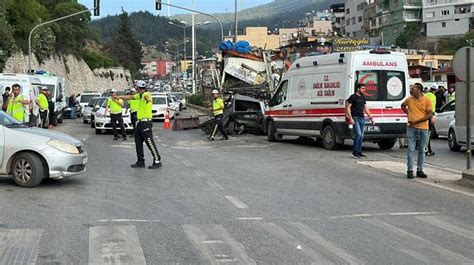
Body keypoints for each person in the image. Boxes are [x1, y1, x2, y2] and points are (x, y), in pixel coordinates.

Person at [119, 80, 162, 169]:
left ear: (138, 88)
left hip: (146, 123)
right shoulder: (140, 95)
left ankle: (157, 160)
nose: (136, 89)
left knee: (149, 142)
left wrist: (148, 99)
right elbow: (131, 97)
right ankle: (140, 161)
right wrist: (120, 97)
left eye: (136, 87)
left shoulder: (146, 94)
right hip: (139, 123)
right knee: (138, 142)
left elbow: (148, 97)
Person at [401, 83, 433, 179]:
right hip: (411, 127)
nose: (411, 90)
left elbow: (430, 115)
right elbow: (402, 105)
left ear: (419, 90)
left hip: (423, 127)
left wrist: (417, 121)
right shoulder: (409, 99)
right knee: (410, 149)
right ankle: (410, 170)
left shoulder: (427, 100)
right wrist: (408, 113)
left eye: (413, 88)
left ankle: (420, 170)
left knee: (422, 150)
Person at [345, 83, 375, 158]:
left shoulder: (363, 97)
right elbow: (348, 107)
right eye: (362, 88)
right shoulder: (353, 97)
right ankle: (355, 151)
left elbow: (366, 108)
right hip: (355, 118)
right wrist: (350, 118)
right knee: (358, 134)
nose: (363, 90)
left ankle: (359, 151)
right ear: (358, 89)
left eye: (364, 89)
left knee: (361, 136)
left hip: (362, 118)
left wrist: (371, 118)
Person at [424, 84, 437, 156]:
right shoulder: (433, 96)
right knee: (428, 134)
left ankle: (426, 149)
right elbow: (432, 107)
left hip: (424, 115)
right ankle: (427, 150)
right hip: (430, 115)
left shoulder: (425, 95)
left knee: (425, 133)